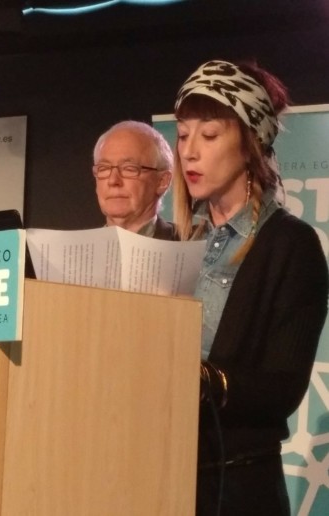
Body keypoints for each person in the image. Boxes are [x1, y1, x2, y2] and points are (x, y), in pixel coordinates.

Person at [172, 59, 328, 515]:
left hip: (237, 489)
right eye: (182, 135)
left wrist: (201, 380)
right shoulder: (176, 244)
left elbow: (283, 388)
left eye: (209, 135)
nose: (189, 152)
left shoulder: (291, 245)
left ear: (250, 144)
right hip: (163, 477)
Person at [92, 120, 176, 238]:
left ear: (162, 181)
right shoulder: (75, 248)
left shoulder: (190, 246)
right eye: (104, 168)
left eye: (129, 168)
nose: (113, 181)